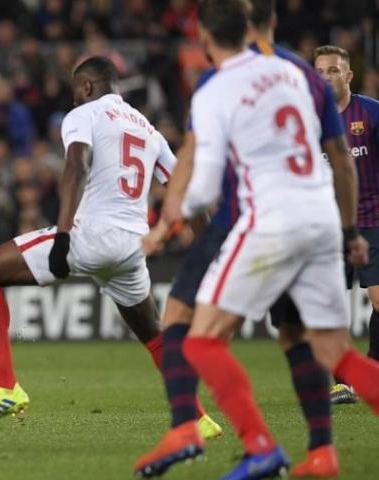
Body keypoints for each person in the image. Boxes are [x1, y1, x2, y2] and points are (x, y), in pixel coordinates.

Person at [141, 1, 379, 478]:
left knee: (200, 340)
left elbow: (205, 184)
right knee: (333, 351)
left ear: (206, 39)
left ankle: (254, 444)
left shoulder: (216, 86)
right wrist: (351, 230)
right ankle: (323, 454)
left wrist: (169, 222)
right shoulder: (300, 75)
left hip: (267, 220)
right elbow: (341, 158)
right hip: (323, 222)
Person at [0, 55, 221, 437]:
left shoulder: (85, 114)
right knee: (152, 333)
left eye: (74, 92)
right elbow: (189, 193)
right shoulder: (149, 130)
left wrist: (63, 236)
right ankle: (199, 417)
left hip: (91, 235)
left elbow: (76, 166)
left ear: (86, 87)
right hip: (132, 247)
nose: (74, 100)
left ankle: (4, 388)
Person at [314, 44, 379, 405]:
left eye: (333, 70)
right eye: (320, 72)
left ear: (349, 75)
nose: (326, 78)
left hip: (373, 220)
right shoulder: (308, 121)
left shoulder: (371, 113)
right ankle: (344, 382)